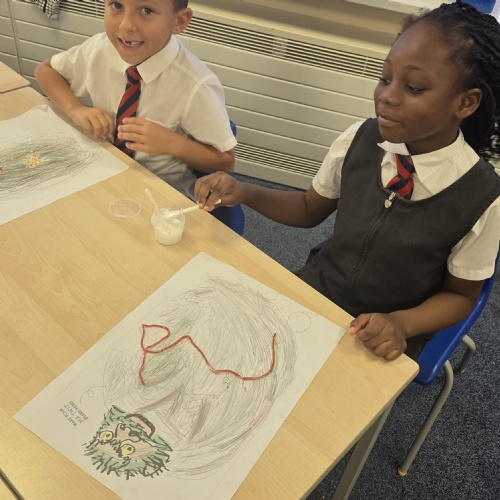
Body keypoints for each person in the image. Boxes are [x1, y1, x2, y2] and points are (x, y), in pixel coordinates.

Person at [195, 1, 500, 361]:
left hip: (383, 335)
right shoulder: (360, 139)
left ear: (465, 103)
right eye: (385, 78)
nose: (387, 96)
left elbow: (461, 296)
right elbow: (308, 209)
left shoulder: (482, 197)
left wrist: (402, 323)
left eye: (414, 87)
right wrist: (244, 191)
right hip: (316, 291)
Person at [34, 0, 236, 200]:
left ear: (179, 21)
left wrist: (172, 143)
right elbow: (46, 70)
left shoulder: (197, 84)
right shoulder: (99, 49)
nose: (126, 26)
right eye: (117, 5)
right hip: (101, 169)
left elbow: (226, 162)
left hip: (160, 194)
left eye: (146, 10)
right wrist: (76, 109)